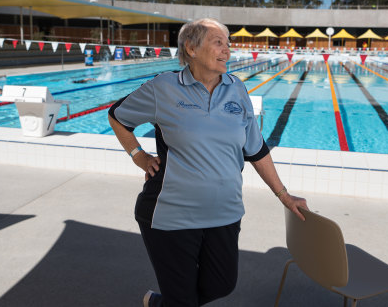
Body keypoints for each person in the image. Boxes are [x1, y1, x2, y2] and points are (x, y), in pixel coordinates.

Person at [107, 18, 308, 307]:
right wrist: (138, 155)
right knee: (184, 299)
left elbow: (256, 148)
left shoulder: (236, 89)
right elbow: (117, 116)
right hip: (171, 215)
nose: (227, 50)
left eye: (228, 44)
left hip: (224, 213)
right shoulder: (164, 87)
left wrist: (283, 195)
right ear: (191, 48)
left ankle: (162, 303)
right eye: (218, 43)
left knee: (221, 285)